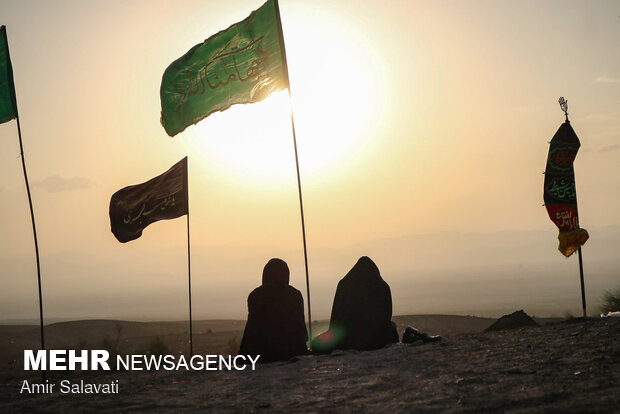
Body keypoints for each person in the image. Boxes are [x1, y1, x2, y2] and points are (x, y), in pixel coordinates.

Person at [312, 256, 398, 353]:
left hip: (348, 340)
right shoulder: (383, 287)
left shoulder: (344, 285)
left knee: (316, 343)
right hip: (377, 340)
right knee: (391, 328)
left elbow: (336, 318)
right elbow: (387, 316)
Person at [238, 258, 308, 363]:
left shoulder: (256, 295)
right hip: (292, 352)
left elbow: (252, 332)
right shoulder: (295, 295)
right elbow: (301, 332)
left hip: (260, 354)